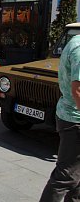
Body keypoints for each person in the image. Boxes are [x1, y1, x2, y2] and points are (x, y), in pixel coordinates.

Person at [39, 34, 80, 201]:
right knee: (66, 177)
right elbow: (78, 91)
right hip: (75, 120)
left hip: (69, 115)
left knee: (76, 176)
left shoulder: (75, 40)